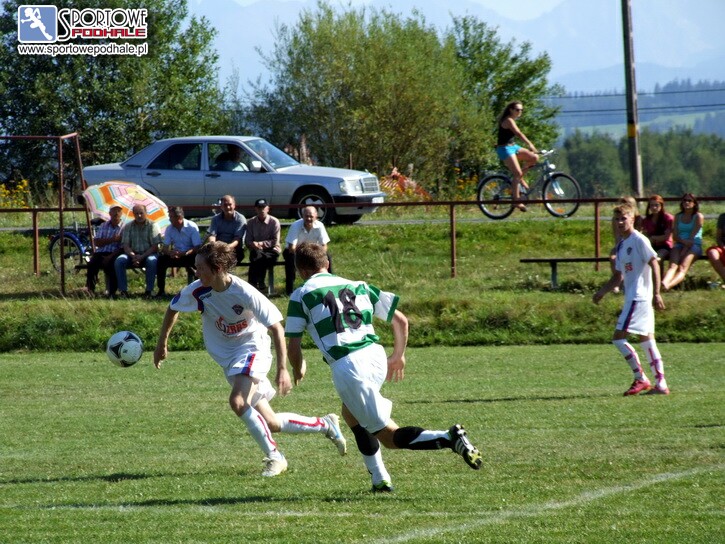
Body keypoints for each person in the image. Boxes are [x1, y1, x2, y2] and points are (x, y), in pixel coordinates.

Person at [285, 242, 482, 493]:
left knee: (389, 436)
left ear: (301, 271)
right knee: (350, 414)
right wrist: (398, 355)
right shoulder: (358, 285)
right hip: (375, 356)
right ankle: (380, 479)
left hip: (349, 366)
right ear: (327, 263)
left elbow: (293, 345)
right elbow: (400, 320)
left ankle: (448, 437)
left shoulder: (301, 294)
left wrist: (297, 368)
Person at [153, 241, 347, 478]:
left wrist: (283, 369)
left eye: (200, 267)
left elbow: (276, 328)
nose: (196, 272)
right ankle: (325, 424)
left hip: (253, 349)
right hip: (230, 359)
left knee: (238, 401)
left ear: (217, 269)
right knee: (271, 422)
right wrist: (161, 344)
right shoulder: (198, 290)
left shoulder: (244, 292)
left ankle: (276, 457)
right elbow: (173, 308)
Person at [593, 203, 669, 396]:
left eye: (623, 218)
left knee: (618, 339)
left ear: (633, 219)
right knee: (647, 340)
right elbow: (618, 276)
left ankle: (641, 378)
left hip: (639, 298)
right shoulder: (621, 245)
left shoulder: (639, 240)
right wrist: (602, 291)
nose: (620, 222)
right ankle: (661, 384)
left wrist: (657, 293)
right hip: (635, 297)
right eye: (616, 219)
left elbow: (654, 263)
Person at [495, 100, 539, 212]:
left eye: (521, 110)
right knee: (517, 173)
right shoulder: (508, 120)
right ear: (511, 110)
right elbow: (518, 133)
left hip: (513, 147)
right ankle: (516, 201)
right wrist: (530, 144)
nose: (520, 112)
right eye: (517, 110)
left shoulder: (512, 120)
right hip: (504, 149)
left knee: (534, 158)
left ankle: (520, 178)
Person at [114, 204, 162, 298]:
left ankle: (149, 290)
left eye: (141, 213)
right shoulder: (128, 226)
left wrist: (142, 257)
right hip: (132, 254)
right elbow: (125, 245)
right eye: (136, 213)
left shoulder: (153, 225)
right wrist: (133, 256)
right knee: (119, 261)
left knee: (151, 261)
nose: (139, 215)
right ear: (133, 214)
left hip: (149, 253)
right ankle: (123, 291)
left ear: (146, 213)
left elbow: (155, 246)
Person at [283, 206, 332, 295]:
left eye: (311, 216)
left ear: (316, 216)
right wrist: (305, 253)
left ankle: (329, 283)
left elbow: (324, 245)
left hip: (313, 251)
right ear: (302, 216)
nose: (309, 219)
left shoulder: (320, 226)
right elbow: (291, 247)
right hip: (295, 251)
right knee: (291, 260)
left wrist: (320, 254)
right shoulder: (295, 225)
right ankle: (289, 290)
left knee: (327, 257)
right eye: (306, 216)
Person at [155, 206, 203, 298]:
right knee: (161, 260)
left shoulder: (191, 227)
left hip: (189, 254)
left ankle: (198, 291)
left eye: (171, 217)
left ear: (179, 217)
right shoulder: (169, 228)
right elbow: (165, 247)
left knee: (198, 259)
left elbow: (197, 247)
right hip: (176, 255)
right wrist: (170, 253)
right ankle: (161, 290)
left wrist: (184, 253)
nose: (169, 219)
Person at [661, 193, 704, 291]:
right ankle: (664, 282)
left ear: (694, 203)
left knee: (682, 267)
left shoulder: (698, 216)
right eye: (684, 200)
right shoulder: (678, 216)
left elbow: (691, 239)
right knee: (673, 265)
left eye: (689, 201)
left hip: (694, 245)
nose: (686, 202)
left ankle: (667, 286)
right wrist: (681, 244)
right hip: (679, 243)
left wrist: (684, 251)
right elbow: (675, 236)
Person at [83, 205, 124, 298]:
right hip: (101, 252)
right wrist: (112, 239)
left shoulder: (124, 227)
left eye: (118, 211)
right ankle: (90, 289)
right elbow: (97, 242)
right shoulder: (103, 225)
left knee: (112, 265)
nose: (116, 213)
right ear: (109, 213)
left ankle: (112, 292)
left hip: (115, 252)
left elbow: (123, 246)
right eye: (114, 211)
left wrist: (110, 256)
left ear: (122, 214)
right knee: (92, 264)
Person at [245, 198, 281, 292]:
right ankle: (257, 284)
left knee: (259, 258)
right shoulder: (251, 222)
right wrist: (253, 244)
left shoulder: (274, 222)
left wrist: (261, 243)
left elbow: (275, 241)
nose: (261, 210)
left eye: (263, 207)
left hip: (272, 250)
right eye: (259, 207)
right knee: (257, 255)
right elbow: (247, 240)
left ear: (268, 209)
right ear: (255, 209)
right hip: (256, 250)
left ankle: (253, 284)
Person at [609, 196, 643, 293]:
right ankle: (618, 282)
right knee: (613, 257)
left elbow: (639, 235)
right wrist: (619, 248)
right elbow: (617, 236)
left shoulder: (638, 218)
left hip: (634, 245)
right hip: (621, 244)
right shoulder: (615, 219)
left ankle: (628, 282)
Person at [207, 195, 247, 264]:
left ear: (234, 205)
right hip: (218, 247)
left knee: (222, 261)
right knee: (203, 257)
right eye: (225, 205)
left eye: (230, 204)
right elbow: (212, 235)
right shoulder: (215, 219)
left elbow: (237, 239)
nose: (228, 207)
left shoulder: (240, 219)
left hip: (234, 248)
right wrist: (214, 245)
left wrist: (227, 247)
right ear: (221, 206)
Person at [641, 194, 674, 261]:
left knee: (656, 259)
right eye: (652, 205)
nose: (654, 207)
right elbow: (645, 235)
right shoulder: (646, 220)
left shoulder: (668, 218)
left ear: (661, 206)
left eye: (656, 205)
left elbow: (666, 237)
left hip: (665, 246)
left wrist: (653, 238)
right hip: (651, 245)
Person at [705, 212, 725, 287]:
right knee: (712, 252)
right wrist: (723, 247)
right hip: (723, 246)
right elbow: (718, 238)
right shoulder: (723, 217)